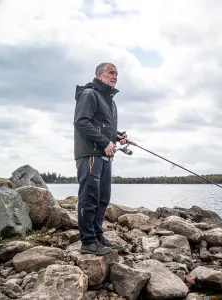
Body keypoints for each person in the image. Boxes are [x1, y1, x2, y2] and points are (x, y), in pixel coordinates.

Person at [73, 62, 127, 255]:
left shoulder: (109, 100)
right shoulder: (89, 94)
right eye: (111, 73)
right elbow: (81, 122)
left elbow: (102, 125)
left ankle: (97, 236)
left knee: (103, 198)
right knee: (90, 198)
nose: (115, 76)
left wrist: (117, 136)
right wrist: (105, 142)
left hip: (105, 156)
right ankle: (88, 241)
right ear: (98, 75)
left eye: (117, 74)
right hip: (90, 154)